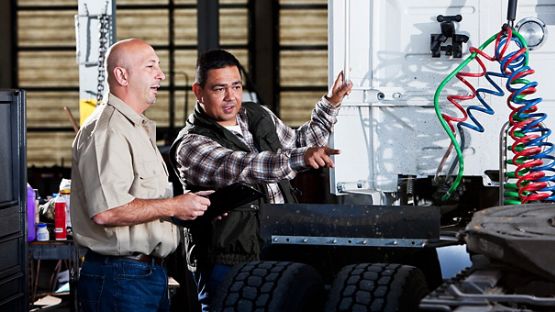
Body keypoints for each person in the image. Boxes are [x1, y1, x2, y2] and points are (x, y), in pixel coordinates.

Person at [171, 49, 352, 310]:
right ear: (198, 91)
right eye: (219, 89)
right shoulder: (192, 144)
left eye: (236, 86)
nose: (231, 97)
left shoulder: (257, 116)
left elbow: (299, 142)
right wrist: (297, 159)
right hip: (227, 261)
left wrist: (331, 103)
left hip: (277, 250)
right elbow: (244, 166)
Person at [70, 38, 211, 312]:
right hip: (120, 278)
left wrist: (191, 206)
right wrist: (175, 205)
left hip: (145, 275)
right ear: (122, 75)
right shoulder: (108, 131)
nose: (161, 74)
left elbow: (143, 202)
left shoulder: (135, 128)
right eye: (150, 66)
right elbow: (107, 211)